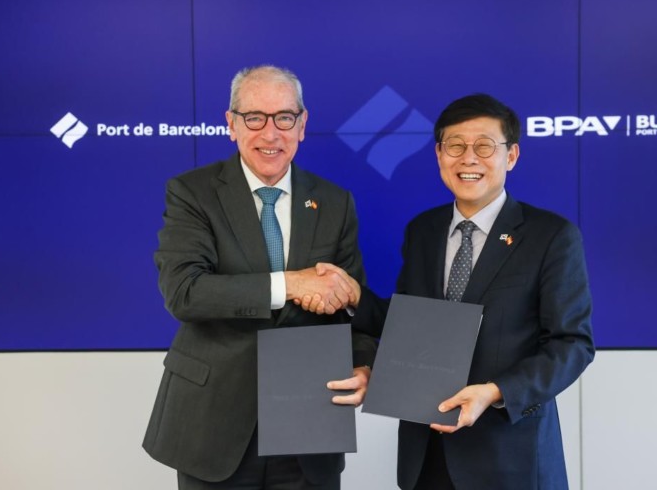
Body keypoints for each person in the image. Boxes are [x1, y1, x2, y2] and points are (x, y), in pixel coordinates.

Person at [305, 93, 595, 489]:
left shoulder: (551, 236)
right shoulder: (423, 231)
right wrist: (356, 297)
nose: (469, 159)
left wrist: (494, 392)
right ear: (439, 155)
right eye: (455, 146)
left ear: (511, 156)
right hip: (427, 454)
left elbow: (572, 344)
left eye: (484, 146)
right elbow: (411, 324)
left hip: (509, 458)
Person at [142, 65, 375, 490]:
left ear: (302, 125)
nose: (271, 133)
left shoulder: (335, 201)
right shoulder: (192, 193)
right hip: (214, 425)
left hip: (310, 424)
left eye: (284, 117)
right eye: (254, 118)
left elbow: (348, 301)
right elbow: (185, 292)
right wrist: (291, 283)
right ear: (231, 124)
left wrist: (363, 364)